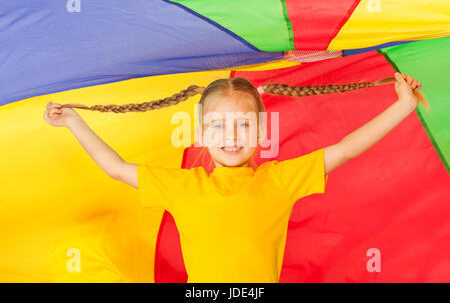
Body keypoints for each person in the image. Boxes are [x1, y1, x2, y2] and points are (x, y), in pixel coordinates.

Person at [44, 72, 422, 283]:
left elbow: (347, 147)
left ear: (261, 134)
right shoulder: (183, 185)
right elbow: (115, 167)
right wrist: (74, 122)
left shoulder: (281, 178)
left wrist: (404, 106)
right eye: (219, 126)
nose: (231, 135)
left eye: (243, 125)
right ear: (203, 135)